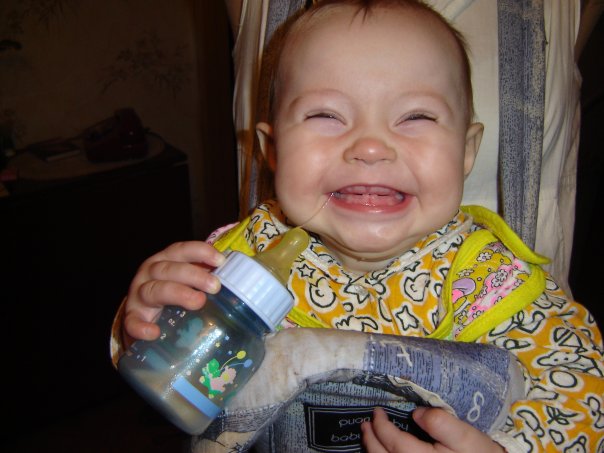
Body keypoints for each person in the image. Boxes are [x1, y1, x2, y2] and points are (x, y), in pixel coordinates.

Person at [112, 1, 604, 451]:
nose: (370, 147)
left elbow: (582, 383)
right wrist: (143, 325)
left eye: (415, 117)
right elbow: (163, 370)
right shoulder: (237, 258)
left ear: (466, 151)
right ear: (273, 150)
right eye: (326, 115)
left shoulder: (487, 277)